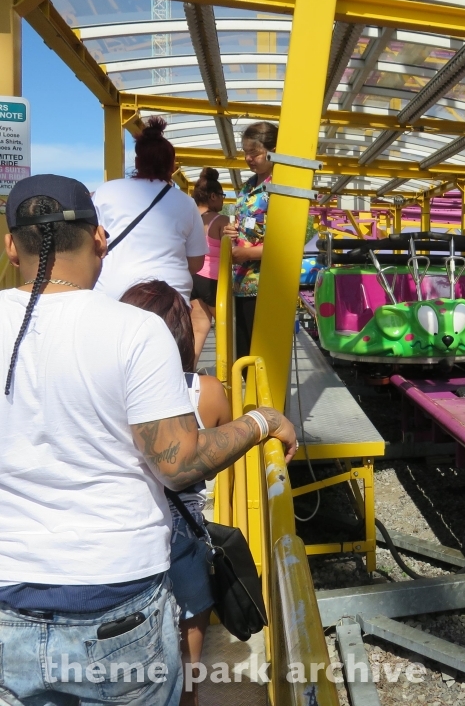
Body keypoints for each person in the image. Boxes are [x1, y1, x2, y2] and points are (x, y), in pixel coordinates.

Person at [0, 175, 296, 706]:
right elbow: (180, 464)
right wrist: (260, 422)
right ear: (99, 241)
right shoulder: (134, 331)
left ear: (9, 244)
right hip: (115, 595)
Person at [120, 280, 231, 706]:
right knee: (187, 677)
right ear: (183, 335)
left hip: (130, 538)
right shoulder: (209, 392)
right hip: (184, 539)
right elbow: (219, 452)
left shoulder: (112, 389)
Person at [92, 117, 208, 302]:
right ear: (172, 166)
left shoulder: (106, 191)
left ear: (137, 162)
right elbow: (196, 263)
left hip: (112, 293)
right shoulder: (186, 203)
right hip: (170, 297)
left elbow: (91, 244)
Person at [224, 121, 276, 358]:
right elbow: (245, 224)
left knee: (263, 359)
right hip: (242, 284)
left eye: (254, 153)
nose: (248, 158)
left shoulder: (279, 187)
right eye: (245, 152)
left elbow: (285, 240)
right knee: (244, 356)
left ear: (272, 150)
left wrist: (248, 254)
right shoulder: (247, 188)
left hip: (267, 286)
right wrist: (231, 232)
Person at [188, 167, 229, 363]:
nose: (223, 200)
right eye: (222, 195)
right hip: (213, 281)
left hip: (192, 278)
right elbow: (233, 250)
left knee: (198, 328)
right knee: (225, 328)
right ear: (213, 196)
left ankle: (188, 371)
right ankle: (227, 377)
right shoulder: (221, 220)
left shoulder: (189, 217)